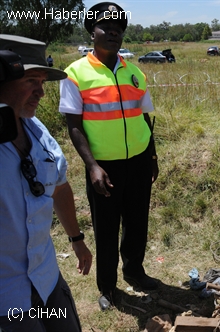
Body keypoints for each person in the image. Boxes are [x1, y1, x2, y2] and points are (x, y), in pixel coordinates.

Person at [58, 2, 159, 311]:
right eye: (106, 25)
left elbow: (144, 118)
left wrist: (152, 155)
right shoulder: (75, 73)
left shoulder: (134, 72)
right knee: (106, 227)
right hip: (104, 167)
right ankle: (107, 287)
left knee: (137, 221)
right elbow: (73, 126)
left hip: (139, 161)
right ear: (93, 31)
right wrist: (92, 166)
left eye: (118, 28)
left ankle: (135, 271)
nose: (113, 31)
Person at [0, 34, 92, 332]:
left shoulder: (37, 130)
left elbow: (60, 186)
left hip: (46, 279)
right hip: (7, 301)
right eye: (30, 81)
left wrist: (76, 240)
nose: (40, 92)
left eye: (42, 81)